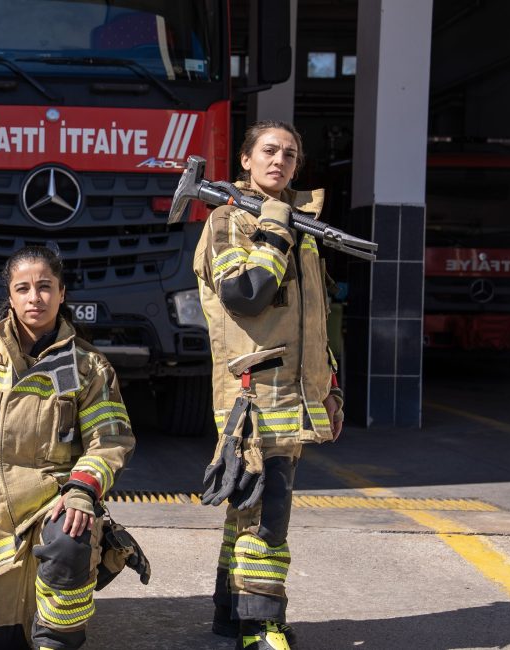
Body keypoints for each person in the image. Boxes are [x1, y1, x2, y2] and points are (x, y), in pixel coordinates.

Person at [0, 246, 136, 649]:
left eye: (45, 287)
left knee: (70, 539)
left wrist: (82, 490)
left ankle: (59, 641)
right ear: (11, 296)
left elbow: (109, 440)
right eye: (23, 288)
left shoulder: (89, 367)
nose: (35, 297)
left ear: (62, 293)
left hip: (56, 506)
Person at [193, 121, 344, 650]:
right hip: (254, 393)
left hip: (295, 392)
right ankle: (260, 627)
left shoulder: (302, 228)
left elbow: (313, 318)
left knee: (248, 505)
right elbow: (246, 294)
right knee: (267, 509)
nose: (280, 161)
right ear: (246, 160)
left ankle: (231, 615)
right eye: (269, 151)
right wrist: (275, 228)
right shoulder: (228, 221)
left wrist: (329, 385)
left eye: (290, 154)